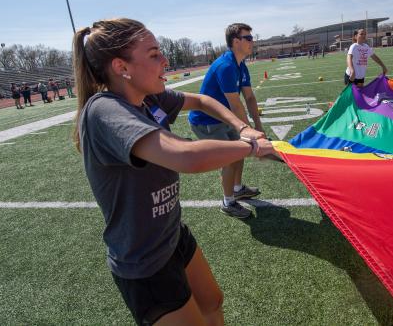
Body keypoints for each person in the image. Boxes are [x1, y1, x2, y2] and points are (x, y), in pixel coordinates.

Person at [73, 18, 275, 325]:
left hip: (171, 235)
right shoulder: (104, 111)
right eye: (154, 54)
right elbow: (185, 157)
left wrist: (243, 127)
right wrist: (251, 146)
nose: (165, 61)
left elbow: (203, 100)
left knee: (213, 301)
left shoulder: (147, 96)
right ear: (121, 67)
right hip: (143, 262)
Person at [188, 23, 264, 219]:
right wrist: (248, 130)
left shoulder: (241, 64)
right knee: (230, 157)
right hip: (206, 120)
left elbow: (249, 98)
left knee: (239, 151)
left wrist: (259, 127)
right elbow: (235, 104)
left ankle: (237, 189)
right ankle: (228, 202)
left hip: (224, 118)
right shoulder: (226, 66)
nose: (252, 42)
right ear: (235, 41)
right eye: (248, 38)